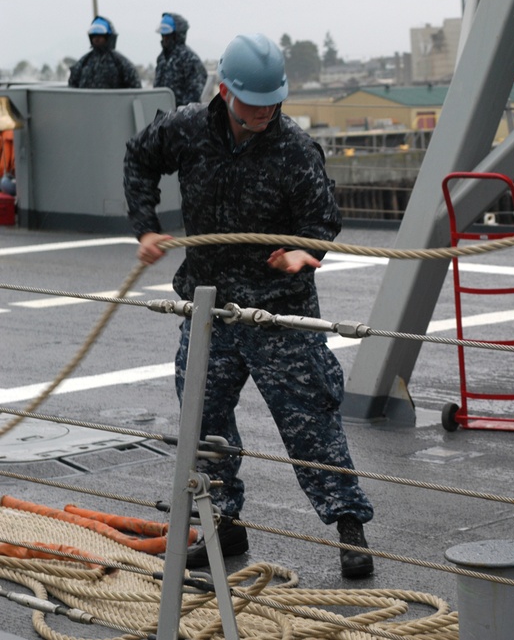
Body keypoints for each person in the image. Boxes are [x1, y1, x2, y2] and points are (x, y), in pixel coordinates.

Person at [124, 33, 375, 579]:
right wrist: (145, 225)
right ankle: (222, 524)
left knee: (311, 423)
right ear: (224, 93)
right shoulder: (188, 128)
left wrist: (303, 254)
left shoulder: (294, 148)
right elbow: (140, 157)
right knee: (205, 424)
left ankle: (349, 526)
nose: (264, 113)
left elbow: (322, 221)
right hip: (208, 306)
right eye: (253, 104)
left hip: (277, 314)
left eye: (272, 103)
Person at [68, 16, 142, 89]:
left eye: (100, 36)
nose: (96, 39)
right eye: (94, 36)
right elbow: (72, 86)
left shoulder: (120, 63)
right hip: (86, 101)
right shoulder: (84, 62)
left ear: (108, 37)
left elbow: (135, 86)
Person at [154, 12, 208, 107]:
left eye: (167, 35)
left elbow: (195, 92)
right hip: (162, 116)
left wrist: (179, 112)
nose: (164, 38)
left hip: (182, 117)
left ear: (176, 35)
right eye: (163, 35)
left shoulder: (190, 58)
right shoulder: (161, 58)